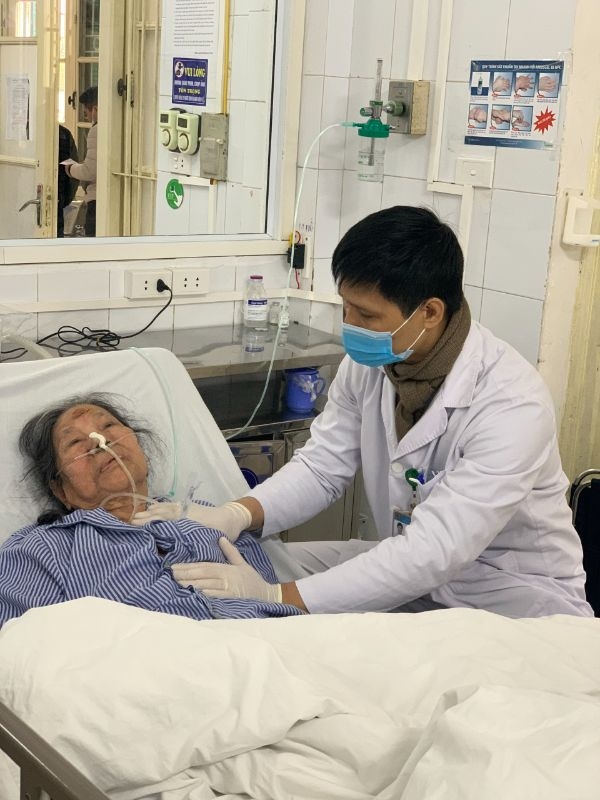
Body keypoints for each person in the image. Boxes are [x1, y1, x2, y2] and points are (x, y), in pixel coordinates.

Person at [145, 206, 594, 620]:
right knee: (254, 561)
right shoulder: (373, 367)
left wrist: (278, 597)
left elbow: (435, 550)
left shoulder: (511, 404)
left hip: (511, 602)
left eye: (366, 314)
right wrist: (236, 514)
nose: (350, 325)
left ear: (430, 312)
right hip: (414, 572)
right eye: (346, 306)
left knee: (277, 598)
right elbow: (322, 468)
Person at [0, 395, 296, 630]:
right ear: (61, 490)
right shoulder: (38, 549)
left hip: (265, 649)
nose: (98, 440)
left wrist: (268, 595)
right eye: (75, 442)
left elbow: (277, 604)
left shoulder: (211, 518)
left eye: (108, 426)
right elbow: (26, 651)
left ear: (139, 449)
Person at [64, 86, 97, 236]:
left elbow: (89, 171)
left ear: (95, 109)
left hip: (95, 200)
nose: (87, 118)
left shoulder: (96, 130)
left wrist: (69, 168)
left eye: (86, 113)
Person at [57, 124, 79, 237]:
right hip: (57, 198)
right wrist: (65, 199)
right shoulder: (63, 133)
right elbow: (72, 170)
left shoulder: (64, 134)